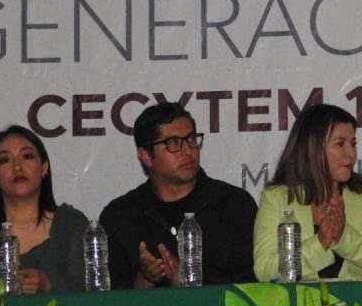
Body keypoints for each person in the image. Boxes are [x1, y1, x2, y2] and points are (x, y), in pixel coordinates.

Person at [99, 103, 257, 288]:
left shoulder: (234, 204)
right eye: (173, 143)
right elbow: (109, 299)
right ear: (146, 156)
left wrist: (188, 280)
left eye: (191, 139)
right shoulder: (120, 215)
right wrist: (145, 279)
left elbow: (250, 287)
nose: (188, 151)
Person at [253, 104, 362, 281]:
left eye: (353, 144)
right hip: (299, 298)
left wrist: (343, 236)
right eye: (340, 144)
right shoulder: (277, 197)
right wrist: (320, 243)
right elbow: (264, 270)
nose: (351, 154)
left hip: (360, 298)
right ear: (312, 148)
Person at [0, 125, 88, 296]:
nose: (17, 167)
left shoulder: (72, 224)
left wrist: (48, 284)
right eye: (5, 160)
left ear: (44, 167)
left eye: (27, 156)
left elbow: (90, 295)